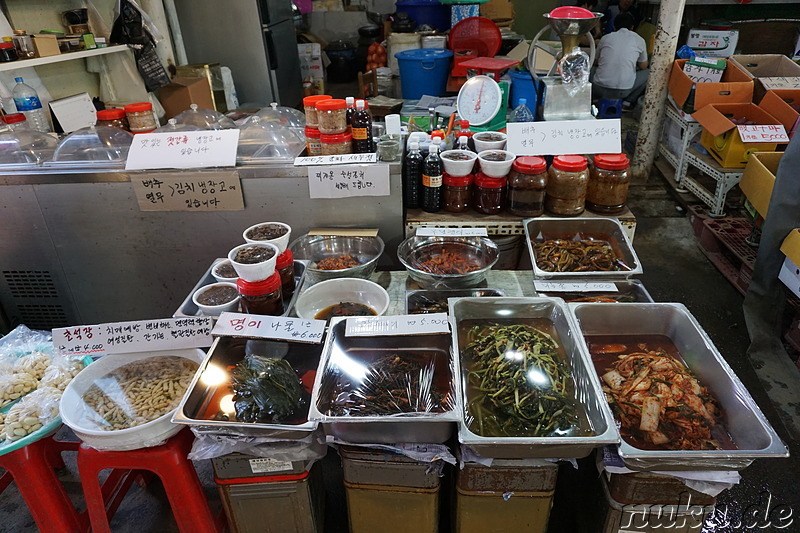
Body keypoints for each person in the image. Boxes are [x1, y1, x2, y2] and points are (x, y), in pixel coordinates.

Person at [591, 12, 648, 108]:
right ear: (632, 27)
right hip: (623, 91)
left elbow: (595, 61)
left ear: (614, 26)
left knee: (588, 68)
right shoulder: (640, 40)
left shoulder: (606, 38)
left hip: (599, 88)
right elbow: (643, 66)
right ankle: (628, 101)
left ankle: (594, 98)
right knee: (649, 73)